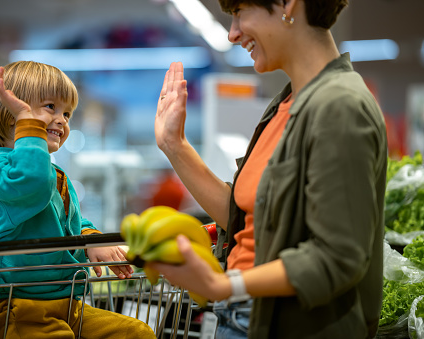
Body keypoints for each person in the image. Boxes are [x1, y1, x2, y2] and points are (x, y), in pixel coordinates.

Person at [149, 0, 388, 338]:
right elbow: (240, 217)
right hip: (244, 316)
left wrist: (224, 285)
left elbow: (338, 257)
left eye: (239, 12)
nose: (232, 33)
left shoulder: (340, 106)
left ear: (289, 4)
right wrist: (174, 144)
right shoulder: (285, 104)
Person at [0, 61, 155, 339]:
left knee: (135, 333)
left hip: (66, 303)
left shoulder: (55, 173)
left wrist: (93, 241)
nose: (62, 120)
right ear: (12, 115)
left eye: (67, 113)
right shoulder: (0, 170)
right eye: (50, 107)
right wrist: (28, 124)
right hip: (20, 306)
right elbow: (32, 183)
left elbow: (74, 222)